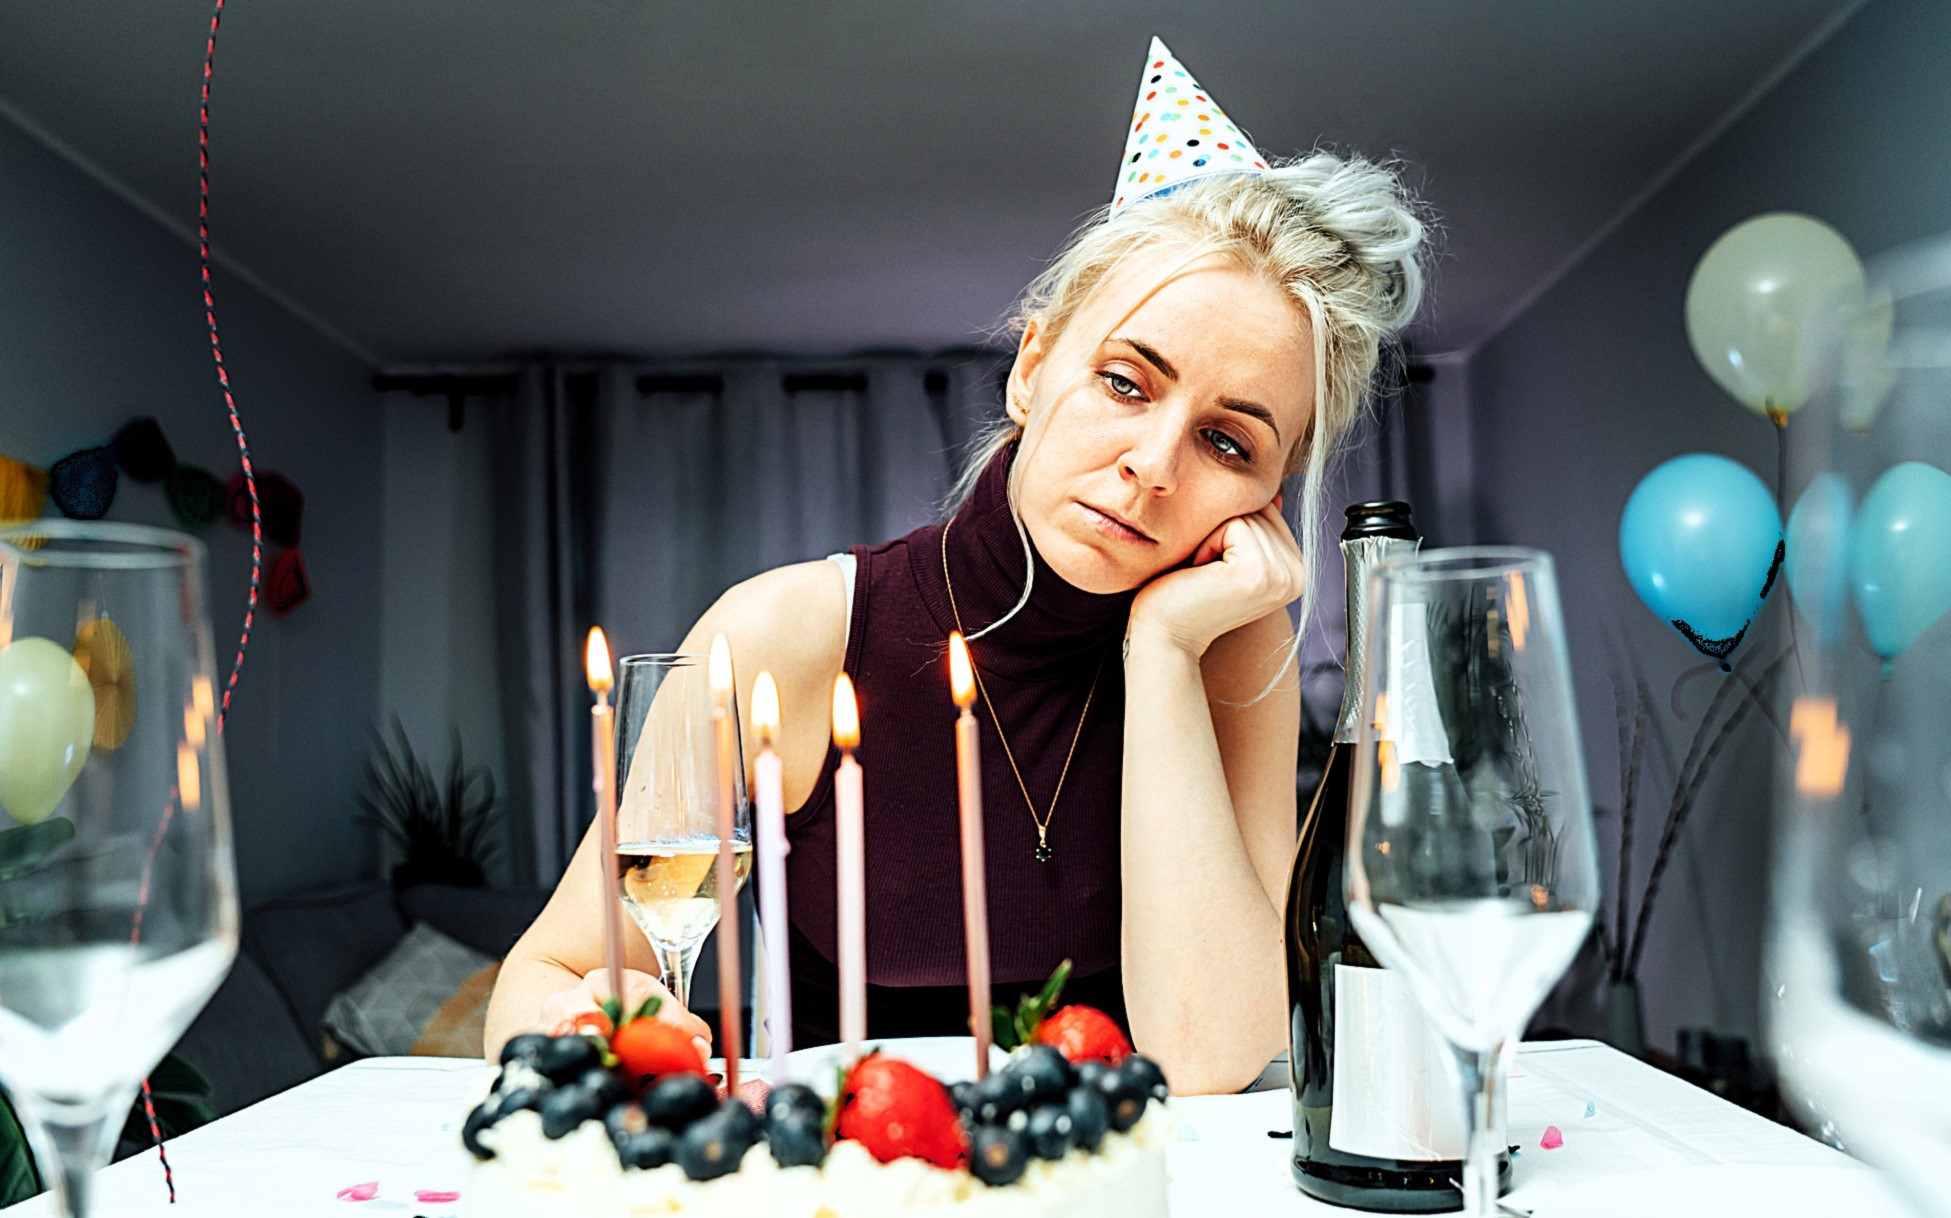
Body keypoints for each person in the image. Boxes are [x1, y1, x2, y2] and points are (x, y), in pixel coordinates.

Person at [485, 39, 1426, 1094]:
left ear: (1266, 492)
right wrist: (602, 1018)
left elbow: (1208, 1055)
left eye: (1227, 443)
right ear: (1032, 366)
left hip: (1102, 1212)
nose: (1151, 466)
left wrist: (1162, 652)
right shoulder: (783, 637)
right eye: (1124, 382)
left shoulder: (1227, 645)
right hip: (847, 1205)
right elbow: (548, 970)